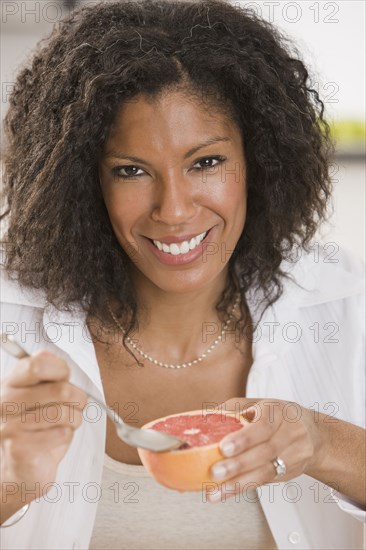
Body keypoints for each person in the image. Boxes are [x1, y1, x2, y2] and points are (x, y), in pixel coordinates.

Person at [0, 0, 364, 548]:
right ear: (82, 183)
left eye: (206, 163)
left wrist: (323, 441)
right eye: (130, 171)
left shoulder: (344, 305)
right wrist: (9, 486)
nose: (173, 210)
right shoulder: (10, 323)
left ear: (259, 159)